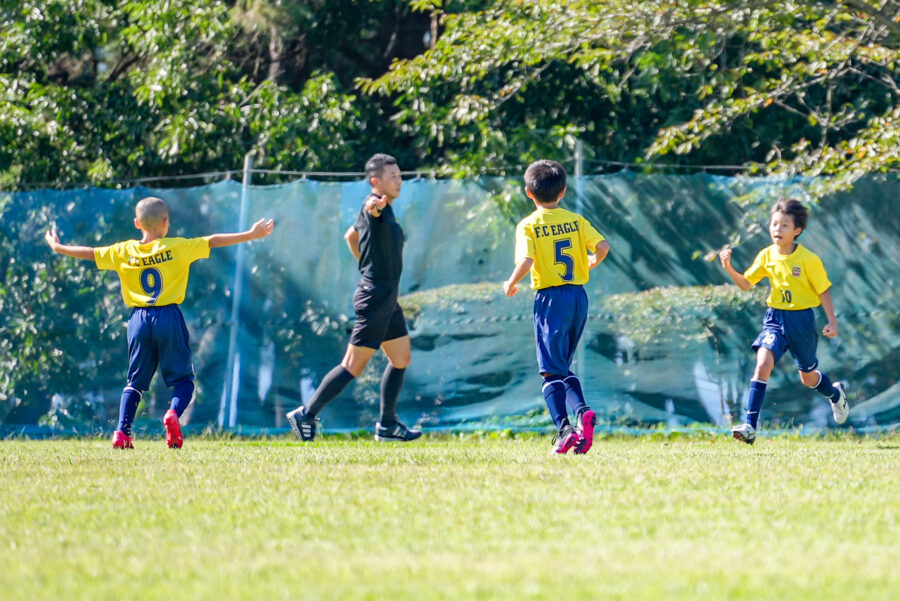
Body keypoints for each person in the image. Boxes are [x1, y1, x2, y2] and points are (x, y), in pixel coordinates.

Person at [45, 196, 274, 449]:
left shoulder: (124, 251)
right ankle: (173, 413)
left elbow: (91, 253)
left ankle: (122, 433)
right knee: (184, 380)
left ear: (136, 223)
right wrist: (250, 234)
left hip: (138, 320)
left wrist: (59, 248)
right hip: (168, 316)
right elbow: (213, 240)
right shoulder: (177, 247)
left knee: (134, 383)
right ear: (166, 223)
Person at [285, 153, 422, 442]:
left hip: (386, 297)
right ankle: (306, 414)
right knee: (353, 365)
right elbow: (371, 210)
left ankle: (387, 425)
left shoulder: (387, 209)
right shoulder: (376, 206)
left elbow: (350, 235)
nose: (399, 180)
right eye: (393, 176)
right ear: (375, 182)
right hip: (375, 298)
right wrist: (374, 207)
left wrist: (367, 263)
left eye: (400, 174)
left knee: (401, 358)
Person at [719, 197, 849, 444]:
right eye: (774, 224)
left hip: (802, 321)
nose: (777, 229)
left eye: (784, 225)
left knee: (808, 378)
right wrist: (729, 267)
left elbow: (823, 291)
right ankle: (750, 426)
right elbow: (746, 284)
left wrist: (832, 322)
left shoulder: (808, 259)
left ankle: (835, 394)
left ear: (797, 231)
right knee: (762, 364)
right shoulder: (766, 255)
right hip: (775, 319)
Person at [503, 159, 610, 454]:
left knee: (550, 372)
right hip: (578, 296)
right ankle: (583, 414)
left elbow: (526, 260)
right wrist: (591, 261)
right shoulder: (576, 220)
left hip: (551, 299)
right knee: (562, 366)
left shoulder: (528, 225)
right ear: (562, 191)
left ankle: (565, 430)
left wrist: (511, 282)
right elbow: (603, 247)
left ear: (529, 192)